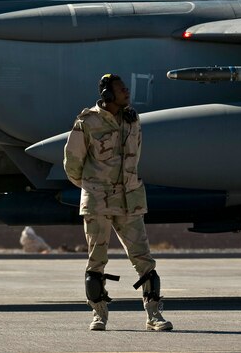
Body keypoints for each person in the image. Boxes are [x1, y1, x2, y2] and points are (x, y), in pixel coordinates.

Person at [63, 74, 173, 332]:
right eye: (121, 89)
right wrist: (92, 186)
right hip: (98, 200)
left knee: (144, 259)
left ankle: (154, 315)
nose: (127, 92)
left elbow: (136, 156)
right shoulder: (87, 122)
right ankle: (99, 315)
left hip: (129, 199)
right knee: (96, 261)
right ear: (107, 95)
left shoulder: (132, 120)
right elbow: (72, 162)